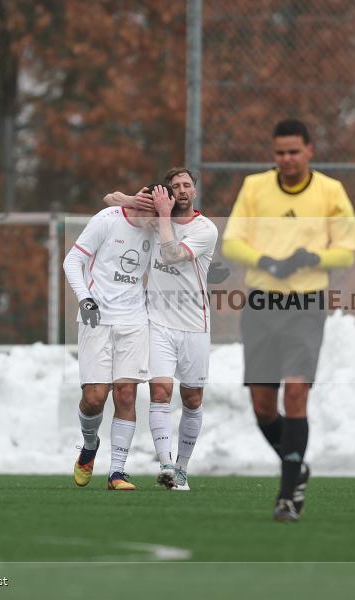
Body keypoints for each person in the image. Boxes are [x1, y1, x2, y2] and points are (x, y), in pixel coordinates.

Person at [222, 118, 355, 522]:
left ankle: (287, 496)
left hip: (305, 305)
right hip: (261, 305)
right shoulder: (254, 187)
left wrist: (311, 258)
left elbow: (347, 252)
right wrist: (266, 261)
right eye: (280, 152)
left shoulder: (330, 191)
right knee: (263, 407)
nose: (286, 159)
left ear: (309, 151)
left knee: (297, 392)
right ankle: (297, 466)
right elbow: (232, 243)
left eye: (294, 152)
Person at [103, 168, 220, 491]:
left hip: (195, 325)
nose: (182, 190)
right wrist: (137, 200)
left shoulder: (205, 229)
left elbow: (171, 254)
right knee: (159, 392)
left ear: (194, 191)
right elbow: (110, 199)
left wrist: (163, 215)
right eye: (175, 186)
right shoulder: (155, 219)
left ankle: (182, 467)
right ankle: (166, 465)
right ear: (167, 193)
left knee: (192, 398)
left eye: (187, 185)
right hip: (157, 323)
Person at [63, 194, 157, 491]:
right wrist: (85, 298)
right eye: (153, 211)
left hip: (134, 320)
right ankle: (90, 444)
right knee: (94, 398)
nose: (157, 219)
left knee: (126, 395)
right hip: (97, 318)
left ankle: (117, 472)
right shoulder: (106, 220)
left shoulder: (159, 230)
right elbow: (72, 261)